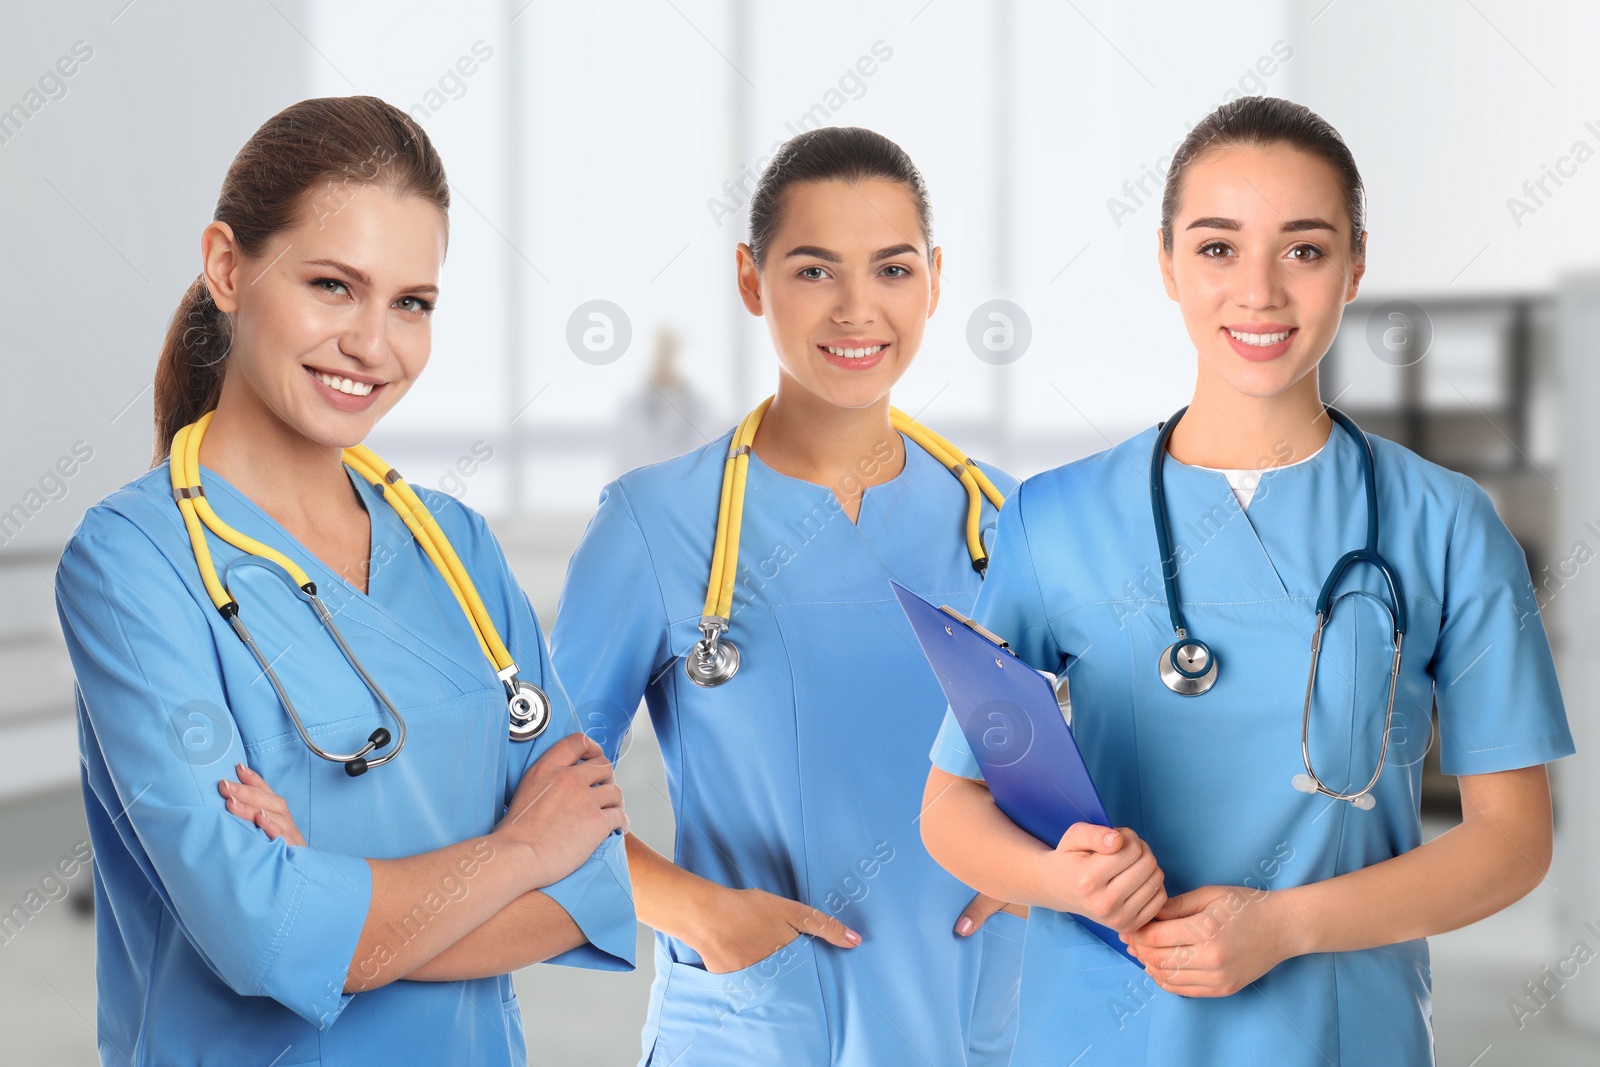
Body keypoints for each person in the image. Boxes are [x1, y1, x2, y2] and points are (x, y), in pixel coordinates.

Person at [919, 96, 1574, 1066]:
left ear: (1354, 264)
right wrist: (1060, 880)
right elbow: (951, 807)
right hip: (1100, 1024)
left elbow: (1510, 840)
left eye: (1302, 249)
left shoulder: (1443, 520)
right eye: (1218, 248)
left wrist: (1285, 924)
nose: (1259, 291)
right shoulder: (1054, 517)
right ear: (1168, 263)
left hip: (1338, 1029)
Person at [54, 96, 634, 1067]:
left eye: (412, 302)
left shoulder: (458, 549)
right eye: (332, 285)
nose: (374, 343)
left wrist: (339, 902)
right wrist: (518, 853)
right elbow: (259, 934)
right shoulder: (133, 562)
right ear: (228, 266)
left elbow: (593, 879)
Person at [551, 126, 1025, 1066]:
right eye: (815, 271)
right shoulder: (657, 522)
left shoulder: (1002, 518)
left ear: (934, 279)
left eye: (892, 270)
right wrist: (698, 914)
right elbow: (540, 790)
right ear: (749, 278)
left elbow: (1079, 758)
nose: (857, 310)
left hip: (971, 1016)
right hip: (756, 1026)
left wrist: (1041, 870)